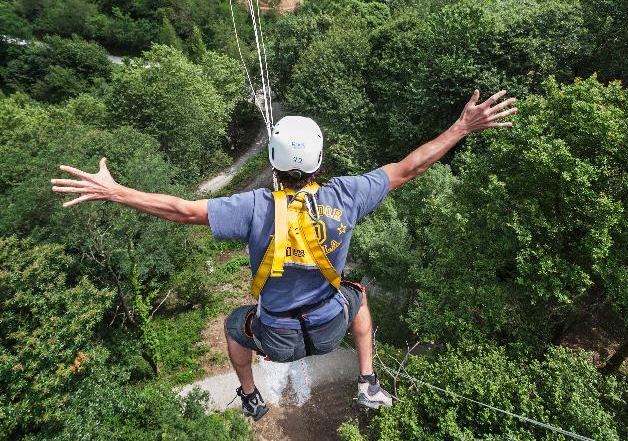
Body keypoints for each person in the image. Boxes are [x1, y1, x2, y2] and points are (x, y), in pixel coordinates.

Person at [51, 89, 517, 421]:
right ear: (319, 161)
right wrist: (462, 126)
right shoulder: (348, 196)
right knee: (357, 294)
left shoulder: (253, 208)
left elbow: (181, 211)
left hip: (276, 336)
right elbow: (410, 168)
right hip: (330, 326)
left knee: (235, 325)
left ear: (273, 162)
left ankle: (251, 397)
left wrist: (116, 192)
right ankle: (367, 382)